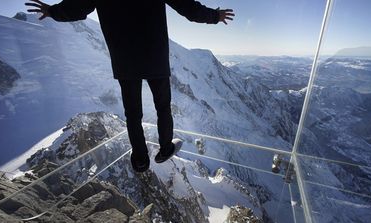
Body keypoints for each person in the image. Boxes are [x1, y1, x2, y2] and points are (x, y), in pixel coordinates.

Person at [25, 0, 234, 172]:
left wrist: (52, 11)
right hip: (155, 57)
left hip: (125, 60)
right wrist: (214, 16)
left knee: (133, 114)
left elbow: (78, 7)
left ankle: (141, 159)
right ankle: (165, 148)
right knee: (163, 106)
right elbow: (187, 8)